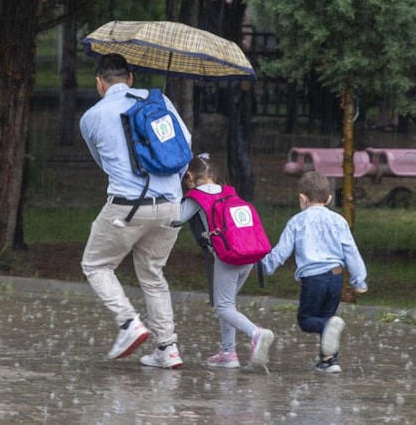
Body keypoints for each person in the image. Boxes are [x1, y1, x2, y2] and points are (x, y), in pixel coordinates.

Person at [79, 53, 192, 369]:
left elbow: (102, 162)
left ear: (99, 83)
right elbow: (186, 146)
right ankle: (168, 348)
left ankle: (129, 323)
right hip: (171, 204)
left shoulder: (91, 117)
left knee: (96, 264)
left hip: (127, 207)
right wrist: (169, 186)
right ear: (131, 78)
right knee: (153, 274)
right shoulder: (160, 102)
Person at [258, 171, 368, 373]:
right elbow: (351, 251)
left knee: (307, 320)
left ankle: (328, 341)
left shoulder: (297, 221)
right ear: (329, 199)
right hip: (336, 276)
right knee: (328, 318)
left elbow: (281, 251)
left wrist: (264, 267)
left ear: (302, 198)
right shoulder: (339, 221)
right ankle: (329, 361)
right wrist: (359, 281)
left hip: (314, 279)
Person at [178, 154, 274, 369]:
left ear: (191, 176)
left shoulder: (197, 196)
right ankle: (228, 352)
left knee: (223, 307)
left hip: (227, 257)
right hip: (248, 253)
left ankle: (256, 333)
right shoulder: (228, 191)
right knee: (228, 304)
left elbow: (176, 218)